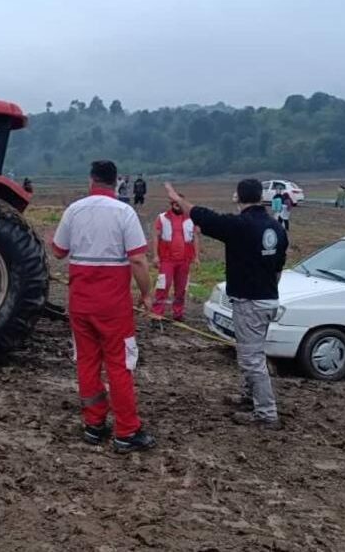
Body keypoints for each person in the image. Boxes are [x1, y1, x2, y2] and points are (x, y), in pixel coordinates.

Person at [165, 179, 288, 429]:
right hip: (268, 298)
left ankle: (266, 413)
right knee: (251, 351)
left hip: (250, 302)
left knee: (251, 359)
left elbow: (205, 217)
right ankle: (248, 398)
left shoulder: (240, 225)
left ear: (237, 197)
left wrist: (178, 200)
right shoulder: (276, 227)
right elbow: (278, 268)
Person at [52, 160, 156, 453]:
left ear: (91, 181)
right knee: (119, 366)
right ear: (116, 182)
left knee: (87, 363)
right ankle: (126, 431)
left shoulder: (74, 210)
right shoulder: (124, 212)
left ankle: (94, 425)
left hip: (81, 305)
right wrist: (146, 294)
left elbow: (58, 252)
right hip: (113, 306)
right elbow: (137, 259)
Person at [151, 196, 201, 322]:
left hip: (184, 259)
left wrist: (196, 256)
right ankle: (157, 313)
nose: (177, 205)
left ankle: (178, 313)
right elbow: (156, 237)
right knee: (163, 286)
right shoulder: (162, 218)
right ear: (171, 204)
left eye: (180, 203)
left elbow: (195, 238)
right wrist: (155, 256)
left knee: (181, 288)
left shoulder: (191, 219)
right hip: (167, 259)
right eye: (175, 203)